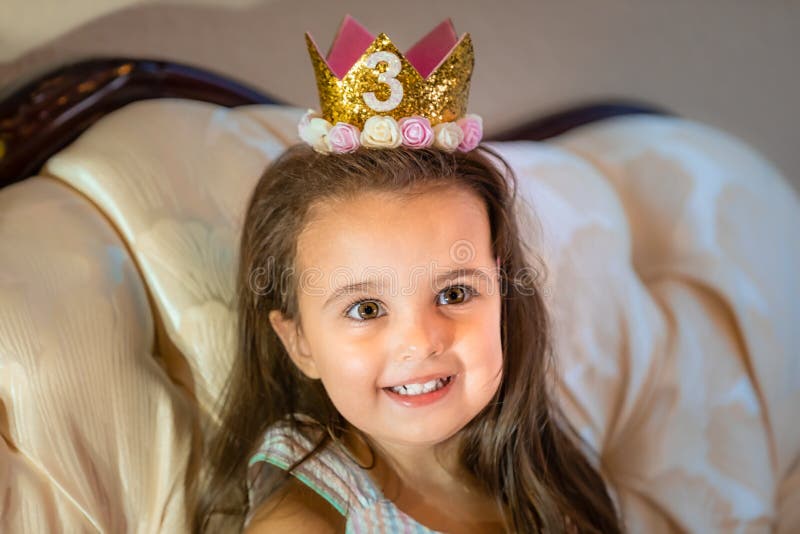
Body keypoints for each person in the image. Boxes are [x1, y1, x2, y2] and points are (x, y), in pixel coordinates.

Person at [194, 15, 624, 533]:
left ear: (503, 295)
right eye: (366, 309)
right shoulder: (303, 522)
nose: (420, 341)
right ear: (299, 341)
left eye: (455, 292)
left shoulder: (543, 476)